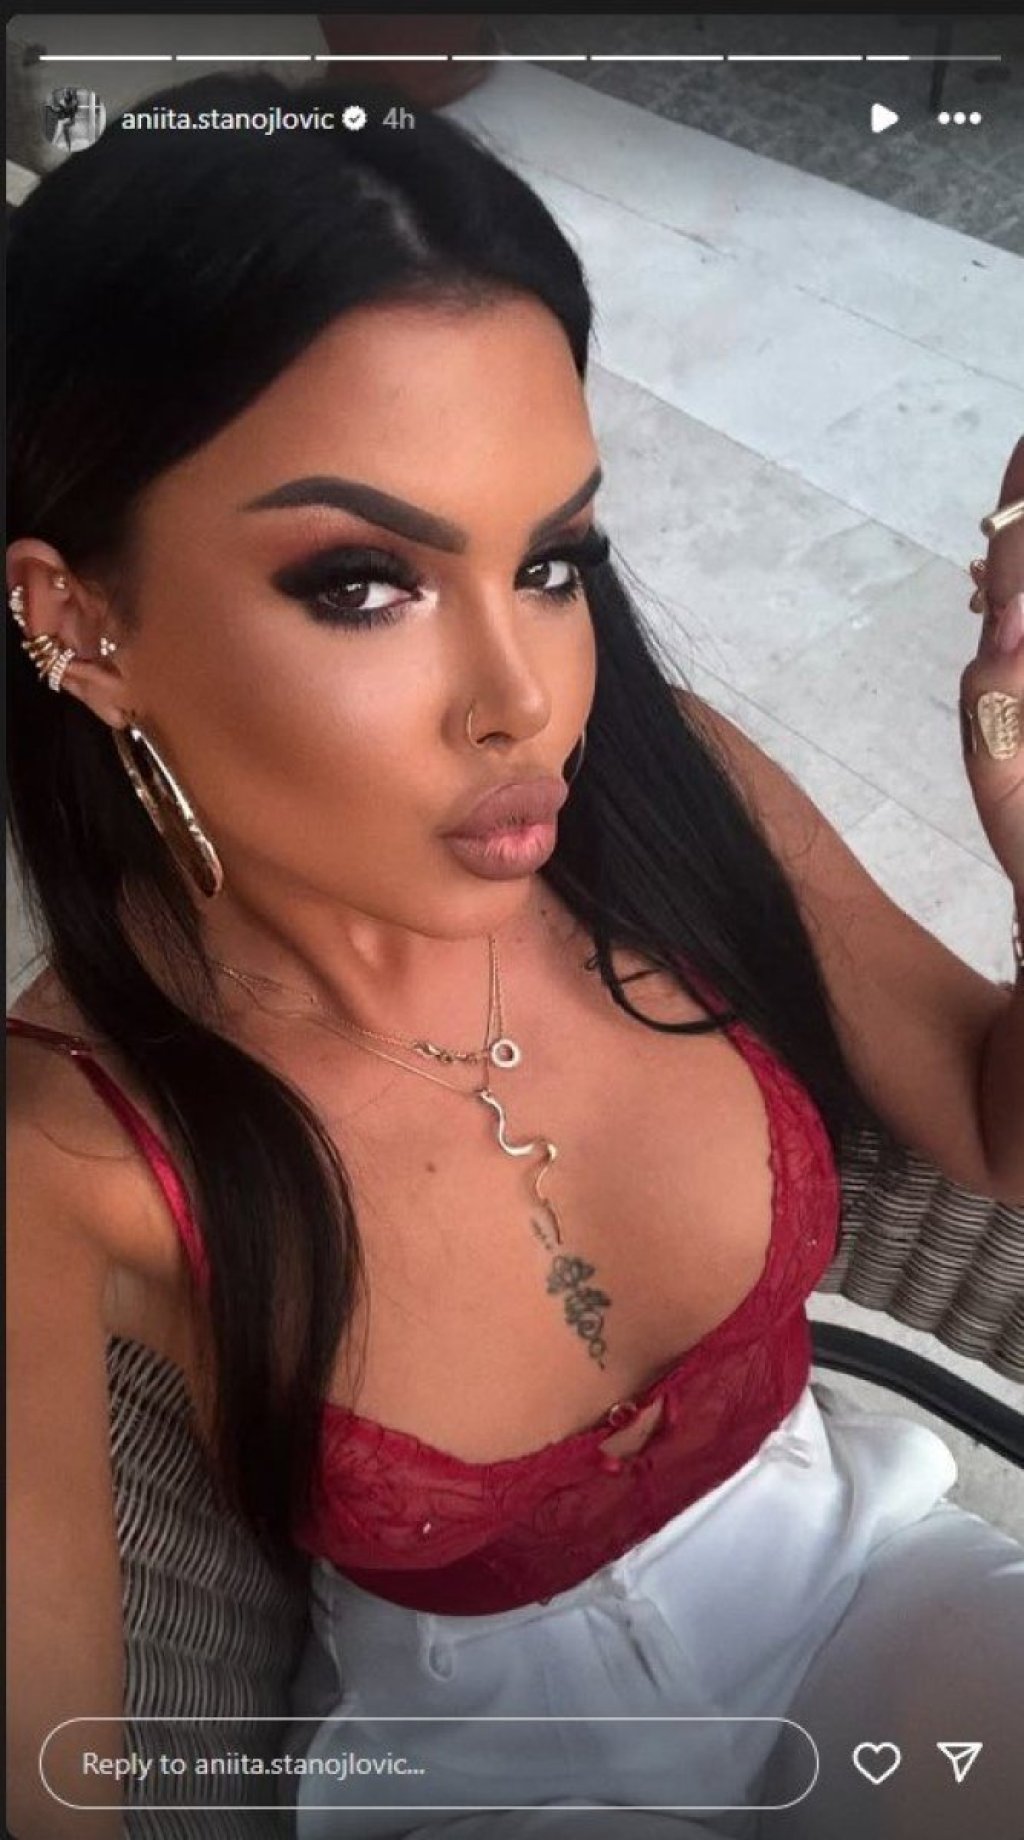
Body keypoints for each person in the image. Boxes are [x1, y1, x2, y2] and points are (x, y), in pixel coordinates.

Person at [7, 69, 1024, 1840]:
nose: (524, 705)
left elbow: (994, 1130)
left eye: (554, 562)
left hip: (856, 1591)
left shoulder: (662, 784)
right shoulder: (68, 1145)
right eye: (363, 581)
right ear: (77, 624)